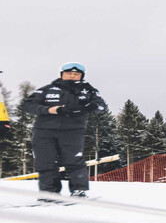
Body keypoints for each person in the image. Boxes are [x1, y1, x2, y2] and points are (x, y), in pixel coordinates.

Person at [20, 63, 108, 196]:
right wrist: (50, 110)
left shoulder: (89, 90)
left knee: (73, 160)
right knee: (45, 161)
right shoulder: (47, 89)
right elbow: (27, 105)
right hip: (44, 130)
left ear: (81, 76)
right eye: (69, 73)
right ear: (62, 74)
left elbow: (102, 107)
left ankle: (79, 190)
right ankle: (49, 192)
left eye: (76, 74)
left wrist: (91, 106)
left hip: (73, 131)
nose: (72, 76)